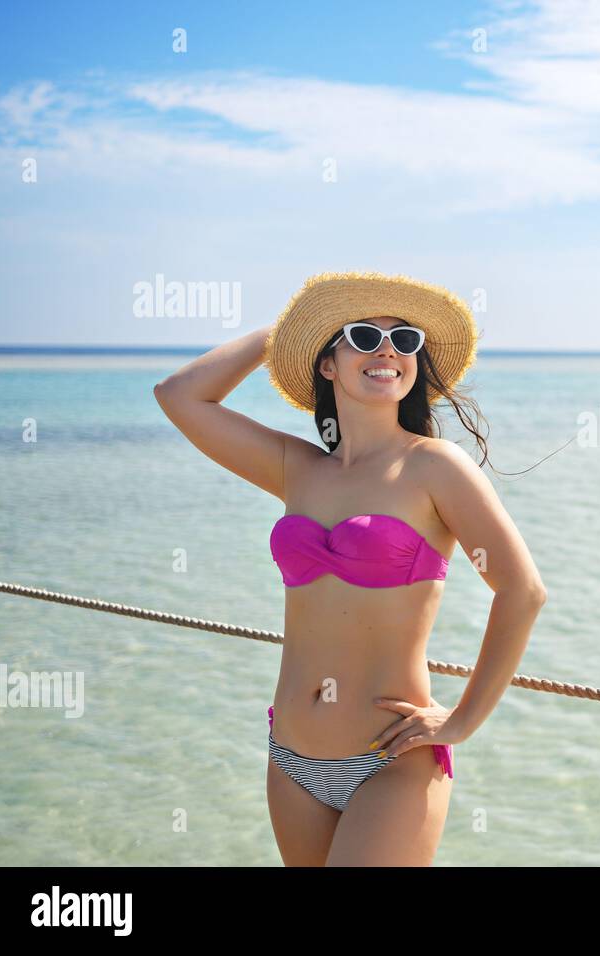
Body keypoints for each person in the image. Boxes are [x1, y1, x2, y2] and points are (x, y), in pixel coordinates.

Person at [153, 271, 547, 866]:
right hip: (290, 756)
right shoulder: (298, 469)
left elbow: (522, 591)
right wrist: (283, 333)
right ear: (327, 364)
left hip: (391, 761)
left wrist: (463, 720)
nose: (387, 350)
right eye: (362, 336)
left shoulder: (433, 467)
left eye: (404, 340)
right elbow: (179, 396)